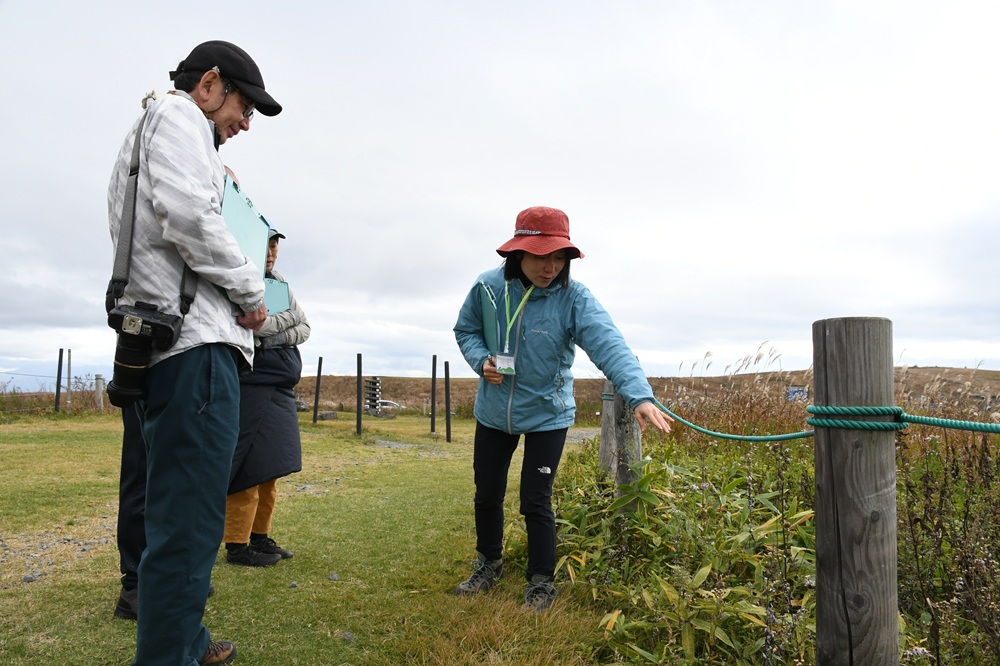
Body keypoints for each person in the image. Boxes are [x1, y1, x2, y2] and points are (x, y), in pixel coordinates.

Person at [106, 40, 281, 665]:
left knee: (178, 509)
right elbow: (188, 213)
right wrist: (250, 289)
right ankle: (168, 656)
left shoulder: (155, 126)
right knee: (190, 519)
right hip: (196, 349)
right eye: (244, 104)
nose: (246, 122)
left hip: (167, 345)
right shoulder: (180, 118)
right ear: (209, 83)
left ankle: (186, 640)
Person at [452, 206, 673, 612]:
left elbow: (611, 345)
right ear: (517, 252)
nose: (550, 266)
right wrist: (481, 359)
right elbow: (465, 329)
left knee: (535, 499)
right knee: (487, 493)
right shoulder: (487, 288)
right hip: (493, 411)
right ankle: (489, 564)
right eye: (540, 255)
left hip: (547, 415)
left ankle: (540, 583)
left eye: (559, 257)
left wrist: (639, 394)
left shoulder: (575, 298)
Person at [224, 227, 311, 567]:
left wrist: (267, 330)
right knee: (246, 465)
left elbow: (303, 328)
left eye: (275, 245)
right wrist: (275, 330)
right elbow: (240, 328)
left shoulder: (278, 284)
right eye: (266, 244)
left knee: (271, 466)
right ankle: (236, 544)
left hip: (279, 383)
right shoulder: (237, 281)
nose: (272, 251)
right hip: (251, 383)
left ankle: (260, 537)